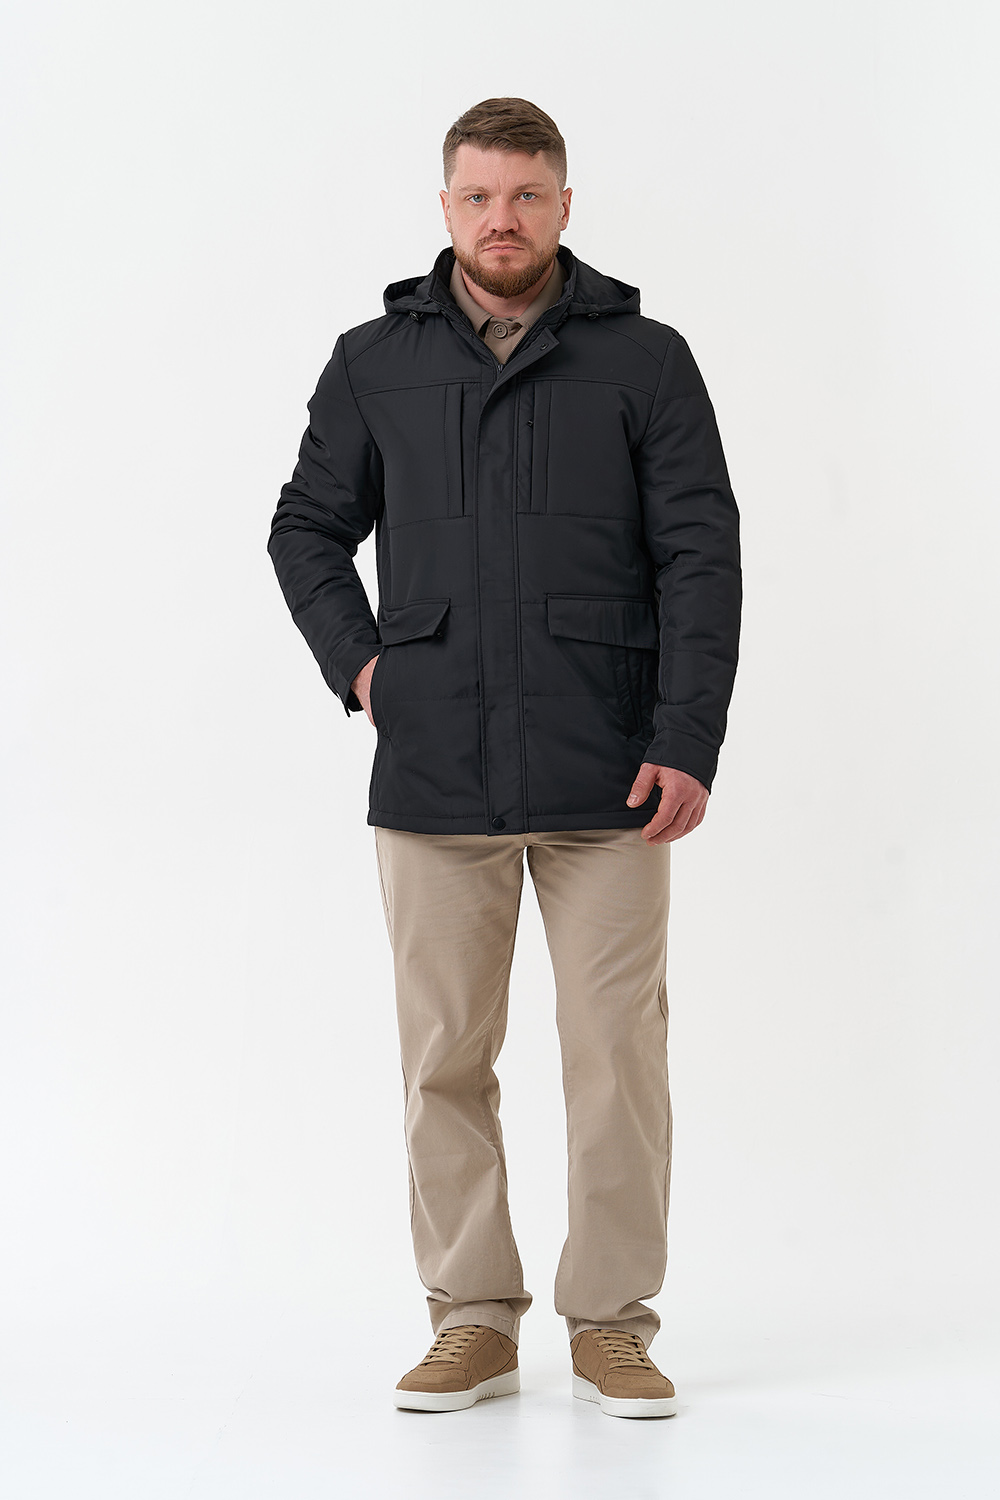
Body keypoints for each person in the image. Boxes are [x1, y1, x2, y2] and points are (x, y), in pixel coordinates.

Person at [267, 97, 741, 1420]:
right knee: (442, 1061)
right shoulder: (374, 361)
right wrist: (365, 667)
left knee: (617, 1061)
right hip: (435, 774)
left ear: (564, 205)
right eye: (478, 196)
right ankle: (471, 1318)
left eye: (527, 196)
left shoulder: (646, 360)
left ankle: (613, 1324)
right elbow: (306, 528)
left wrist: (687, 736)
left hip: (612, 777)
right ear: (446, 207)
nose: (502, 220)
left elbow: (700, 554)